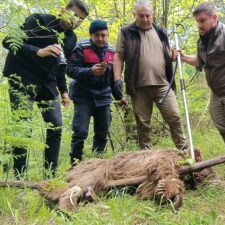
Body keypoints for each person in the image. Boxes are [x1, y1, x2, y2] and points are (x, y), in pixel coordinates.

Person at [2, 0, 89, 178]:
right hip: (22, 78)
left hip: (46, 83)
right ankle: (20, 178)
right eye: (74, 15)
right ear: (63, 11)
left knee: (56, 126)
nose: (75, 21)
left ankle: (50, 175)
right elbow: (8, 41)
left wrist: (63, 90)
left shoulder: (70, 38)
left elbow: (60, 64)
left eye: (80, 20)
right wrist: (38, 51)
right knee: (23, 127)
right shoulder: (38, 20)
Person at [179, 2, 225, 179]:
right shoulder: (202, 40)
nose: (199, 25)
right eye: (197, 21)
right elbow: (199, 62)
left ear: (215, 18)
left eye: (203, 20)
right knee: (222, 125)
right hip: (217, 91)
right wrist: (183, 58)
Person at [113, 0, 187, 150]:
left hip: (163, 85)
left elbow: (167, 56)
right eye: (141, 16)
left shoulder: (161, 32)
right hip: (139, 87)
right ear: (134, 15)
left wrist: (174, 55)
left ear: (152, 14)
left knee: (174, 117)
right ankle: (147, 157)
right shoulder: (126, 32)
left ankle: (184, 151)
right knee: (143, 123)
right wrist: (117, 80)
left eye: (148, 15)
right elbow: (119, 57)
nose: (145, 19)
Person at [67, 20, 126, 165]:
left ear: (107, 34)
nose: (100, 39)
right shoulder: (81, 48)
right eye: (97, 35)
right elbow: (70, 70)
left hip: (104, 97)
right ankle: (75, 163)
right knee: (80, 132)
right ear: (90, 35)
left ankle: (96, 163)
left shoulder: (112, 52)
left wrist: (119, 97)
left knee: (102, 132)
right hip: (83, 96)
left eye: (103, 35)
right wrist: (90, 71)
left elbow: (113, 78)